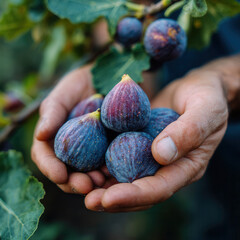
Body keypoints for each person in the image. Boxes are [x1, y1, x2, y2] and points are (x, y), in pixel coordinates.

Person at [31, 5, 240, 214]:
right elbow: (130, 11)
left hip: (208, 115)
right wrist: (122, 55)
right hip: (215, 169)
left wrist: (224, 81)